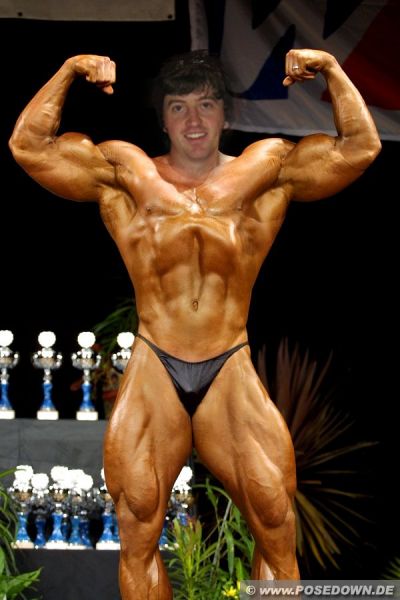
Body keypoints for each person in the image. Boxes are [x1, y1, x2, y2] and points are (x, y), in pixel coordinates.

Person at [9, 48, 381, 598]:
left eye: (206, 105)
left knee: (275, 520)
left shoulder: (266, 171)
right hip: (155, 361)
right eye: (179, 107)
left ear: (225, 114)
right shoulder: (126, 174)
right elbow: (29, 147)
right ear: (163, 119)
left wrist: (330, 67)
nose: (193, 120)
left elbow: (359, 147)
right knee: (139, 523)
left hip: (228, 360)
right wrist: (68, 70)